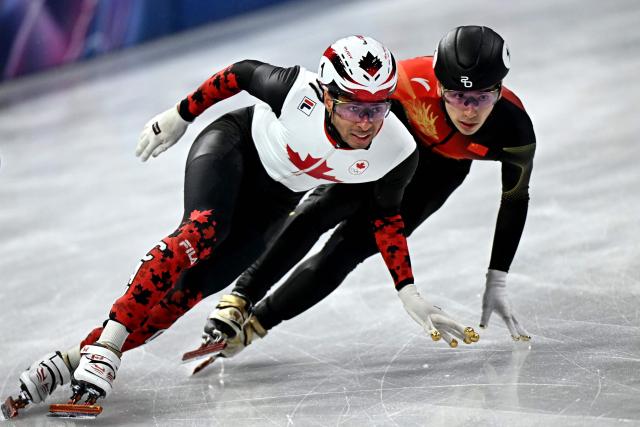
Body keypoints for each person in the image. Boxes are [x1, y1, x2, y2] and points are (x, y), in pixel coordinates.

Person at [6, 35, 475, 418]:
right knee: (201, 231)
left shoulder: (396, 151)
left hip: (272, 204)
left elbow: (388, 218)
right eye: (354, 107)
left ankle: (68, 360)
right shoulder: (296, 92)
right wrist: (181, 115)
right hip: (234, 150)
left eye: (378, 109)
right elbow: (242, 72)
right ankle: (107, 346)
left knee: (189, 294)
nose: (367, 123)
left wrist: (407, 290)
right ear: (326, 95)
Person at [203, 25, 535, 359]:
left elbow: (515, 199)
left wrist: (498, 278)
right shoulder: (406, 79)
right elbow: (341, 102)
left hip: (438, 176)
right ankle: (240, 299)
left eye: (482, 98)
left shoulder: (514, 128)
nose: (469, 111)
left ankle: (256, 325)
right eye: (457, 96)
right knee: (319, 211)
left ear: (499, 90)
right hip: (382, 156)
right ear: (437, 85)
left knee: (349, 250)